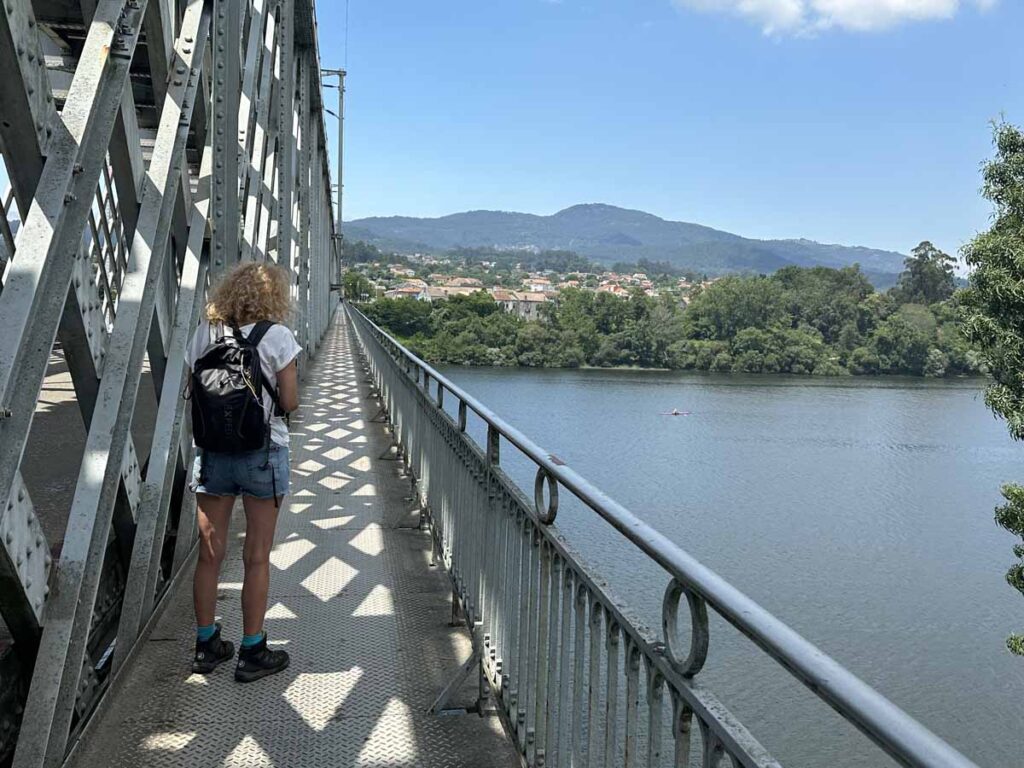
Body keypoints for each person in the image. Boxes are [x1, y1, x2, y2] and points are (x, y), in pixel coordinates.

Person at [185, 262, 302, 682]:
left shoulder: (204, 333)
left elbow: (197, 390)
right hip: (263, 453)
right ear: (274, 297)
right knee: (256, 556)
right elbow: (288, 402)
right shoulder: (278, 336)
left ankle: (205, 646)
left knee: (209, 554)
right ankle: (252, 651)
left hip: (213, 452)